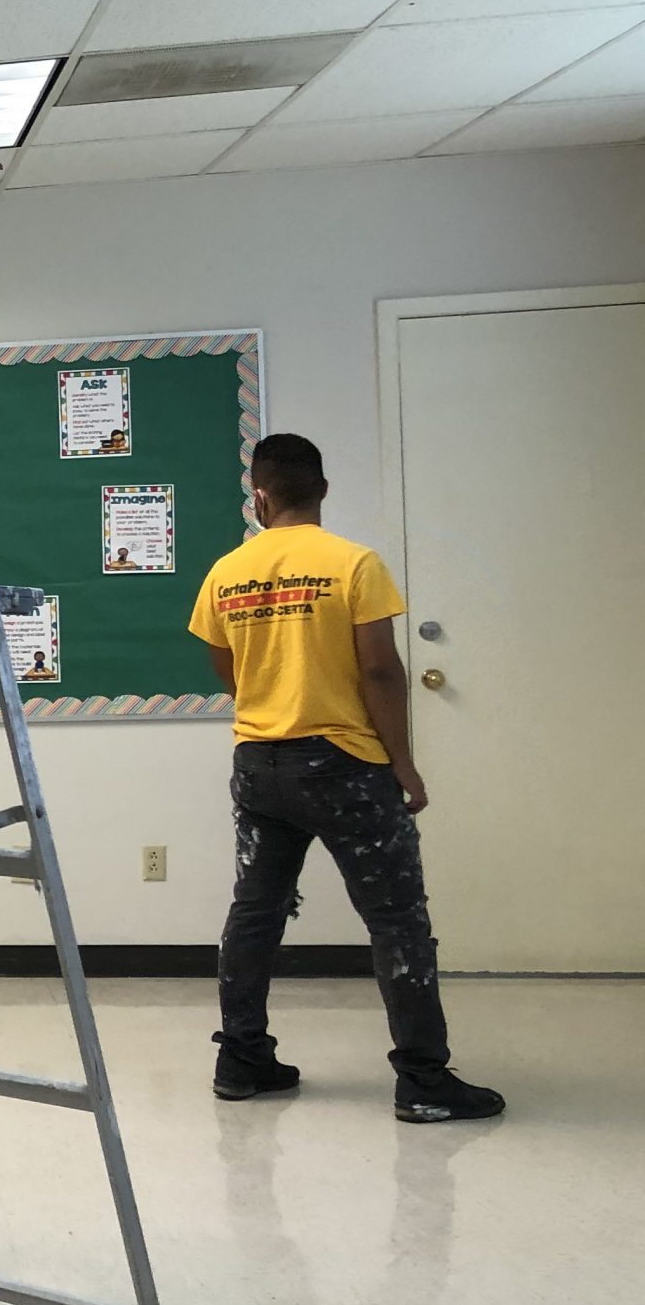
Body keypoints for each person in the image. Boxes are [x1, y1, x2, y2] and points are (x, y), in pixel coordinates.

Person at [187, 433, 503, 1124]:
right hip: (343, 765)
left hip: (259, 763)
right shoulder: (353, 564)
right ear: (322, 490)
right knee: (396, 919)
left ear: (259, 494)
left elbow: (224, 664)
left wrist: (270, 699)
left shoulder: (226, 573)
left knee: (255, 911)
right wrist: (403, 761)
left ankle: (242, 1059)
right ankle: (422, 1078)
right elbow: (382, 670)